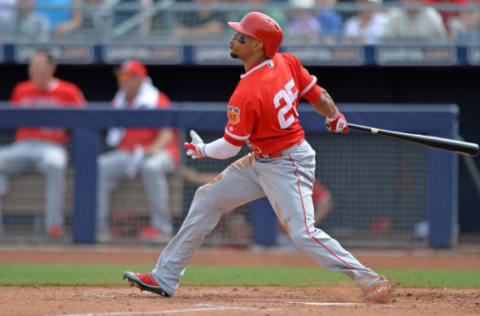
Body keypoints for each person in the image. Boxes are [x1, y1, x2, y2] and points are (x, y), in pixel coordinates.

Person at [123, 11, 392, 303]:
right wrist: (334, 116)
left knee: (303, 233)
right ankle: (165, 276)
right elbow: (319, 95)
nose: (234, 38)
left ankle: (371, 279)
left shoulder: (247, 91)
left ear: (257, 46)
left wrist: (201, 150)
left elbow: (229, 147)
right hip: (261, 159)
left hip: (287, 163)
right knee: (207, 198)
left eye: (242, 36)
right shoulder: (287, 61)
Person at [0, 49, 86, 237]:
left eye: (39, 65)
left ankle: (53, 226)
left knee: (55, 164)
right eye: (32, 65)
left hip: (52, 147)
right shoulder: (21, 89)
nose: (35, 69)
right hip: (23, 145)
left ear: (51, 68)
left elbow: (86, 120)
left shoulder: (68, 91)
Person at [96, 60, 179, 243]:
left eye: (126, 77)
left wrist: (153, 149)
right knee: (99, 167)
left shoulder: (156, 99)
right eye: (120, 77)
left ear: (139, 79)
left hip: (161, 153)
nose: (122, 81)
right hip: (131, 153)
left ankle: (161, 228)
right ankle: (99, 227)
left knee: (151, 167)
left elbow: (167, 134)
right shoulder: (119, 100)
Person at [381, 0, 447, 42]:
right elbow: (385, 43)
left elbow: (442, 43)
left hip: (427, 59)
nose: (412, 2)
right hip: (398, 57)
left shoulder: (432, 16)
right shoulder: (394, 16)